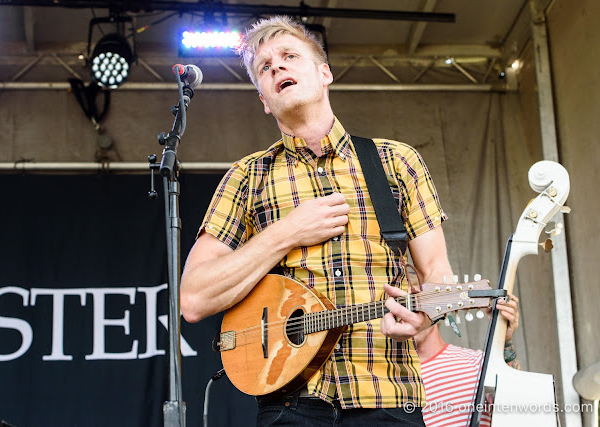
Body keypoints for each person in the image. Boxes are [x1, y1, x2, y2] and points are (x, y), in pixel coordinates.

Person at [180, 15, 453, 426]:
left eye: (289, 56)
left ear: (324, 72)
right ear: (264, 99)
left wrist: (428, 313)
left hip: (388, 394)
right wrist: (285, 233)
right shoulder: (246, 177)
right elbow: (194, 298)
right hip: (289, 403)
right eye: (265, 68)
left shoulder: (396, 161)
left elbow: (438, 272)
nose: (277, 68)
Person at [416, 294, 522, 427]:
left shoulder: (479, 363)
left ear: (438, 307)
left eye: (415, 305)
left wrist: (504, 341)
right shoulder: (388, 387)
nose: (405, 314)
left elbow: (518, 410)